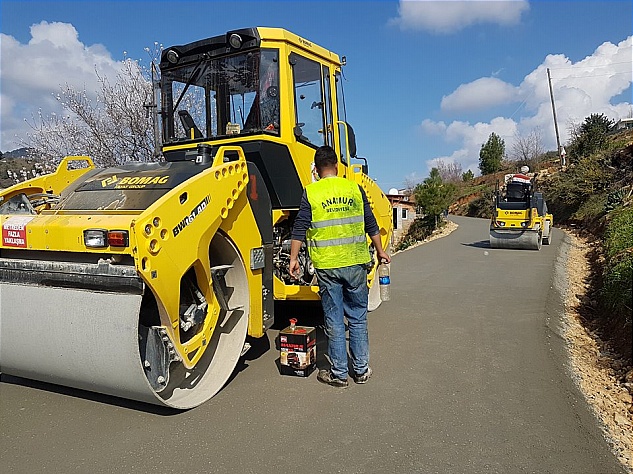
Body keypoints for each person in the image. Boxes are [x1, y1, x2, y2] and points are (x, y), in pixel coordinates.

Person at [289, 146, 391, 388]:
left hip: (327, 266)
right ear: (336, 165)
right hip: (356, 263)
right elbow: (371, 223)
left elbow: (300, 228)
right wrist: (380, 250)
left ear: (315, 168)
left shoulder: (311, 193)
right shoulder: (354, 189)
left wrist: (293, 258)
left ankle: (339, 374)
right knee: (357, 318)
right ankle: (362, 370)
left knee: (334, 320)